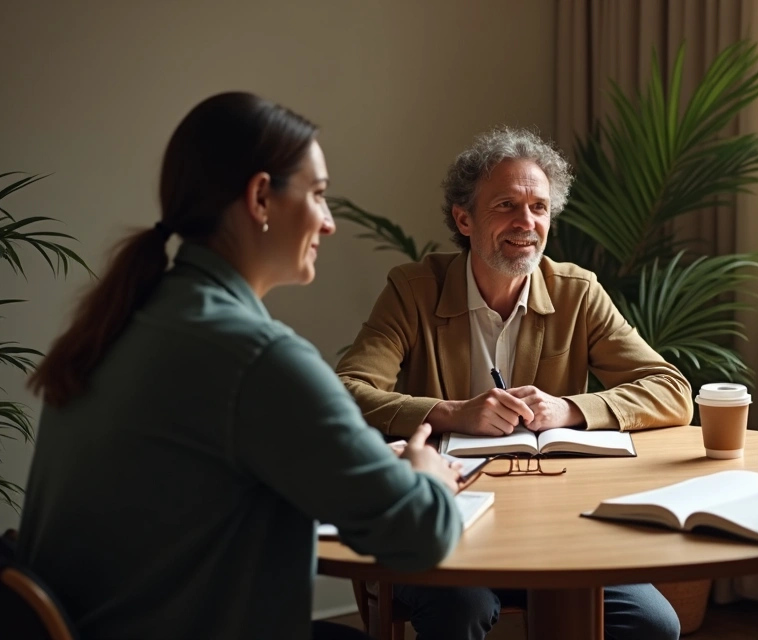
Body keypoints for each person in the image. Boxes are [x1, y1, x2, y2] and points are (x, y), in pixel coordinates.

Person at [19, 92, 464, 640]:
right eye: (319, 196)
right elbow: (419, 537)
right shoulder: (257, 357)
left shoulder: (123, 323)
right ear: (260, 197)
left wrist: (363, 461)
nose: (328, 223)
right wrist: (427, 474)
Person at [334, 126, 690, 640]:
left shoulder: (576, 292)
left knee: (652, 623)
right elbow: (347, 389)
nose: (527, 223)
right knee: (460, 609)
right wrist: (452, 413)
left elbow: (670, 388)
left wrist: (566, 409)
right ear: (464, 218)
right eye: (506, 206)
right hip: (445, 521)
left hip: (557, 524)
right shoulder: (411, 290)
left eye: (540, 208)